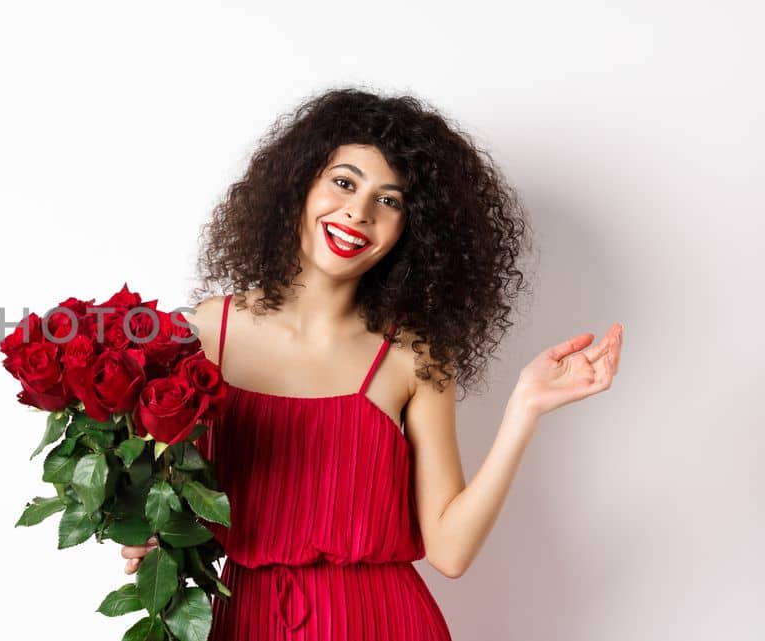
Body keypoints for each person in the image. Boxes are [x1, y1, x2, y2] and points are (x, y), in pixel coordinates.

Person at [118, 87, 623, 639]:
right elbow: (191, 510)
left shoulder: (413, 356)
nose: (359, 211)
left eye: (390, 199)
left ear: (414, 228)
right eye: (344, 182)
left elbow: (449, 552)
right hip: (250, 620)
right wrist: (149, 531)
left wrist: (524, 409)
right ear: (299, 185)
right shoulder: (206, 333)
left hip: (383, 622)